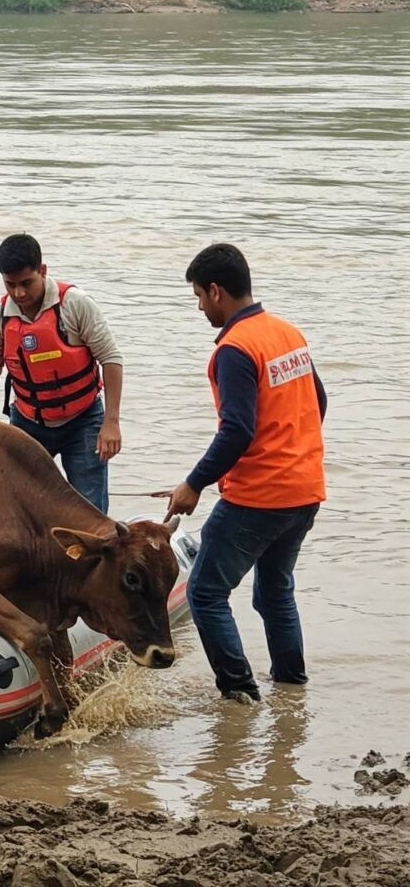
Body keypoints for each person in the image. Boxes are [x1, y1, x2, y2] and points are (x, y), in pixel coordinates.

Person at [165, 243, 327, 703]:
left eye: (198, 296)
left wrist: (193, 484)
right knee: (274, 592)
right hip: (306, 489)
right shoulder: (287, 332)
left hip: (260, 497)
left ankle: (239, 693)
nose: (199, 308)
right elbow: (319, 402)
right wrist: (293, 450)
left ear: (217, 291)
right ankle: (292, 687)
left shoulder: (234, 349)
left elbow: (236, 430)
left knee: (206, 593)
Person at [0, 233, 124, 513]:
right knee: (17, 508)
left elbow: (111, 359)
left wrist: (111, 423)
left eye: (26, 283)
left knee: (90, 512)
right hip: (28, 424)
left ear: (42, 271)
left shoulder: (75, 305)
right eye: (10, 285)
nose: (19, 294)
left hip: (83, 421)